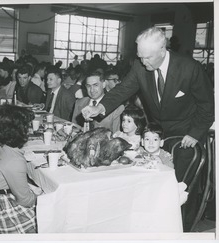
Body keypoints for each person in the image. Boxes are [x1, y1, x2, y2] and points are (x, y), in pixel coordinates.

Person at [81, 27, 214, 231]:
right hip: (157, 136)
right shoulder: (140, 65)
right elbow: (123, 90)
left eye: (148, 58)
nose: (144, 62)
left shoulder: (189, 68)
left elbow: (207, 105)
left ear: (163, 49)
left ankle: (184, 231)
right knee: (154, 186)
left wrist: (195, 133)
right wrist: (100, 107)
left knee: (182, 189)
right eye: (140, 57)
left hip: (186, 136)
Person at [0, 104, 38, 233]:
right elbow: (26, 201)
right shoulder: (14, 160)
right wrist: (41, 195)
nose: (30, 130)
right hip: (2, 211)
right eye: (27, 126)